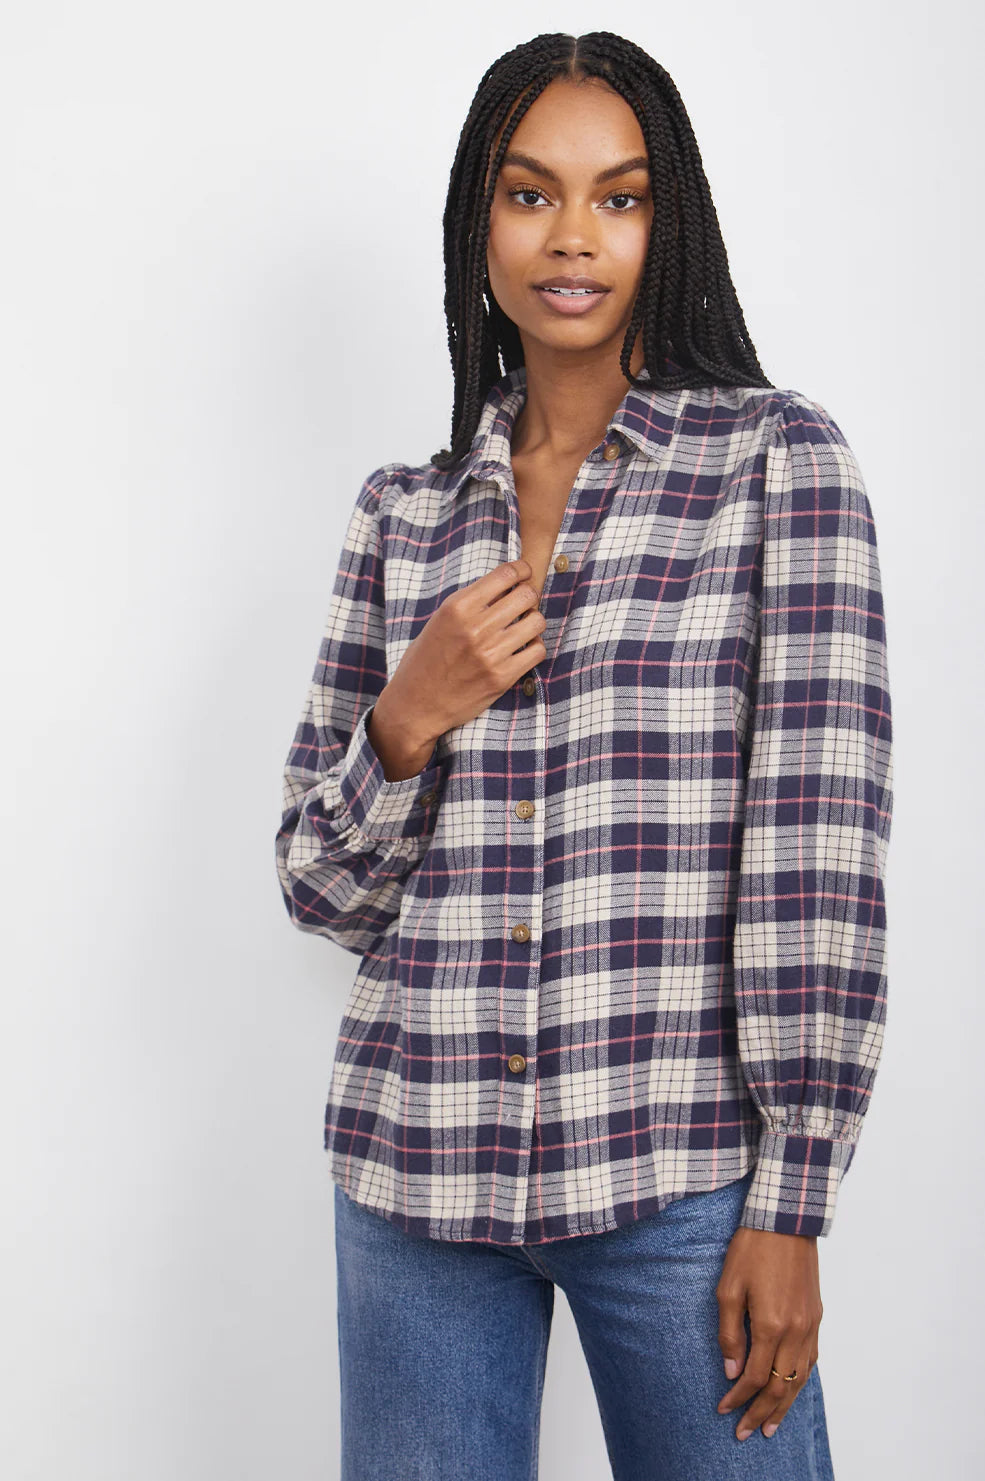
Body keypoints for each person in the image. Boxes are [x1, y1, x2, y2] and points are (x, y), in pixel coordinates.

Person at [274, 30, 893, 1481]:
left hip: (677, 1179)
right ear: (477, 223)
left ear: (669, 226)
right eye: (529, 193)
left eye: (618, 197)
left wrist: (792, 1197)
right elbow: (321, 890)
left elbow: (814, 855)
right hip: (415, 1172)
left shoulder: (776, 468)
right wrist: (406, 718)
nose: (571, 237)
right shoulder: (403, 514)